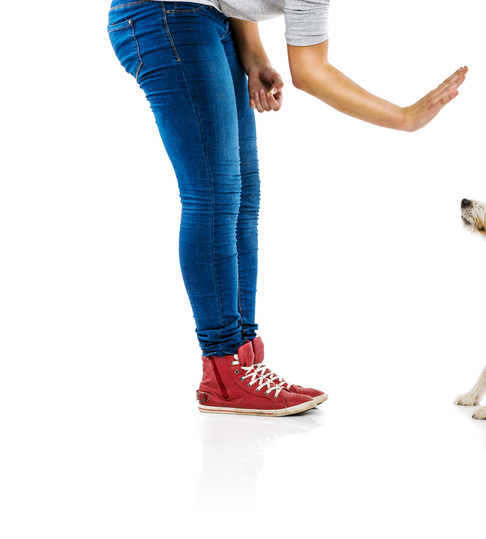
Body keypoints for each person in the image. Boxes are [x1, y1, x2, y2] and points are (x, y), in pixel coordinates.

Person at [107, 0, 467, 417]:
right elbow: (312, 76)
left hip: (209, 18)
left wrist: (255, 57)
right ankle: (223, 371)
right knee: (213, 195)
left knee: (242, 196)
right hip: (165, 12)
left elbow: (302, 62)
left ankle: (243, 359)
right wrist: (404, 118)